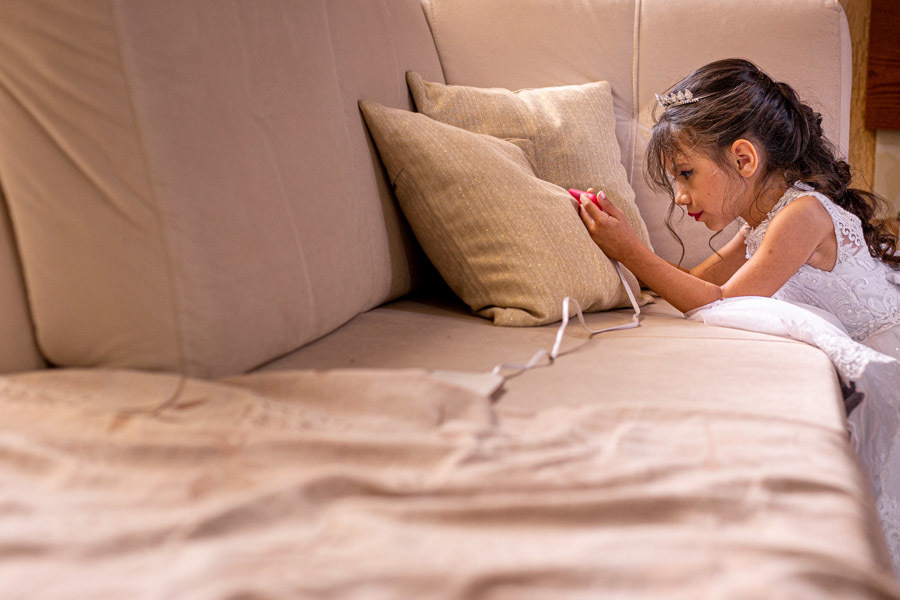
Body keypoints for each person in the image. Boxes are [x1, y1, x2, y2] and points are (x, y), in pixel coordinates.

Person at [577, 57, 900, 571]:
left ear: (744, 158)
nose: (680, 198)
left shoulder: (802, 215)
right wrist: (624, 256)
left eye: (686, 175)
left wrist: (631, 250)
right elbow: (700, 282)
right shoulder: (764, 222)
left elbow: (725, 304)